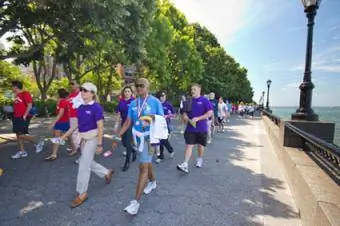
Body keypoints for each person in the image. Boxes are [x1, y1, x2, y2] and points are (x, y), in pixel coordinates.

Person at [60, 82, 114, 208]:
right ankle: (106, 172)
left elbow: (100, 126)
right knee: (88, 162)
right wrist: (62, 136)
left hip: (93, 139)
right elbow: (75, 125)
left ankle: (82, 193)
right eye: (82, 90)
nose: (83, 92)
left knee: (83, 165)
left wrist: (100, 144)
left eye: (86, 90)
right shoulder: (80, 108)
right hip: (84, 140)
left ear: (92, 94)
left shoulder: (96, 107)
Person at [116, 78, 164, 215]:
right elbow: (127, 122)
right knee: (145, 163)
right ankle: (153, 182)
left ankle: (135, 203)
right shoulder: (133, 103)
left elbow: (161, 119)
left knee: (143, 167)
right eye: (137, 86)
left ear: (148, 87)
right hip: (138, 138)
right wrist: (117, 136)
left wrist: (149, 118)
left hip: (151, 138)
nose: (139, 88)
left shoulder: (154, 101)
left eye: (142, 86)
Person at [177, 83, 213, 173]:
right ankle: (185, 164)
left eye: (194, 89)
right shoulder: (188, 101)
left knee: (200, 146)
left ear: (199, 90)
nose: (192, 91)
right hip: (190, 128)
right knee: (189, 145)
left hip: (201, 128)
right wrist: (185, 116)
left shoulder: (205, 100)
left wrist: (198, 118)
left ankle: (200, 158)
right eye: (192, 89)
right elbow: (184, 112)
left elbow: (210, 113)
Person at [11, 80, 45, 159]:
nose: (11, 88)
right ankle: (22, 151)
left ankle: (38, 142)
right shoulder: (16, 95)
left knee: (21, 135)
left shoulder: (25, 93)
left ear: (16, 87)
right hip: (16, 116)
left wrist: (25, 115)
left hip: (23, 117)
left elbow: (29, 105)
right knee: (18, 134)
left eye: (12, 86)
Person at [114, 86, 136, 171]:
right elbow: (118, 114)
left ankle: (127, 163)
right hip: (124, 124)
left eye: (128, 91)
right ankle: (133, 151)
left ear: (131, 93)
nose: (127, 93)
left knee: (127, 142)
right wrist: (116, 125)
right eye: (125, 91)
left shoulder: (134, 102)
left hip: (131, 124)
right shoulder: (121, 102)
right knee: (123, 142)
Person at [45, 88, 70, 161]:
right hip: (64, 121)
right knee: (67, 136)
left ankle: (54, 154)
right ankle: (74, 149)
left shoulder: (62, 101)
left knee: (56, 138)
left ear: (59, 94)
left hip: (61, 122)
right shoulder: (63, 101)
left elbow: (61, 113)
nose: (56, 94)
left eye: (56, 93)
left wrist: (53, 123)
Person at [155, 91, 175, 163]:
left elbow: (174, 114)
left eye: (164, 96)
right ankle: (160, 156)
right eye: (162, 96)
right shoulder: (155, 104)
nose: (164, 97)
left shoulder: (168, 104)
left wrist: (167, 116)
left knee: (163, 140)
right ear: (159, 97)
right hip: (156, 124)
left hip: (165, 125)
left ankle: (170, 150)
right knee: (159, 140)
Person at [67, 80, 81, 157]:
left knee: (77, 132)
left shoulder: (81, 94)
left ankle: (76, 147)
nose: (71, 85)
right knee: (73, 132)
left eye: (73, 83)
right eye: (70, 84)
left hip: (79, 116)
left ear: (78, 84)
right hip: (72, 116)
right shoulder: (71, 94)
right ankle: (76, 146)